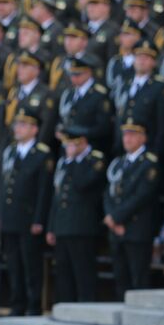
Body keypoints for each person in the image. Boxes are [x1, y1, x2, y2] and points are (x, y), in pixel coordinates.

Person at [45, 124, 106, 303]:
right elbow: (57, 196)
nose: (68, 149)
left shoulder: (94, 160)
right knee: (63, 271)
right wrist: (52, 227)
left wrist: (72, 162)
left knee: (83, 271)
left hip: (82, 226)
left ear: (82, 143)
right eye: (67, 145)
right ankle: (65, 304)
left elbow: (82, 184)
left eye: (71, 145)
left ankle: (86, 305)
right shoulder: (65, 162)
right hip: (63, 225)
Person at [102, 121, 162, 298]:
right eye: (125, 135)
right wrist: (111, 217)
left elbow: (142, 196)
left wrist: (118, 217)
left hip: (136, 228)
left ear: (142, 138)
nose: (127, 139)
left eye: (132, 135)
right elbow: (108, 192)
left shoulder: (149, 163)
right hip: (116, 228)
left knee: (138, 277)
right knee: (121, 277)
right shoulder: (119, 163)